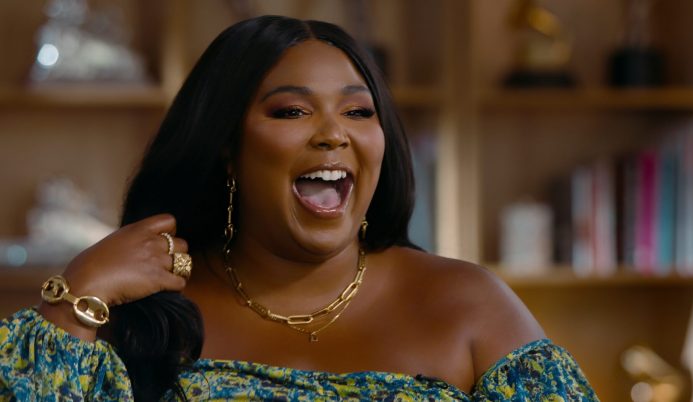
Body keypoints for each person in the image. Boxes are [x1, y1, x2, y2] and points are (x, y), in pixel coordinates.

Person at [0, 16, 598, 401]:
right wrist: (73, 301)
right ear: (226, 146)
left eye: (359, 112)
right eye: (292, 111)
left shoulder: (472, 305)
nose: (334, 134)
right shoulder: (135, 317)